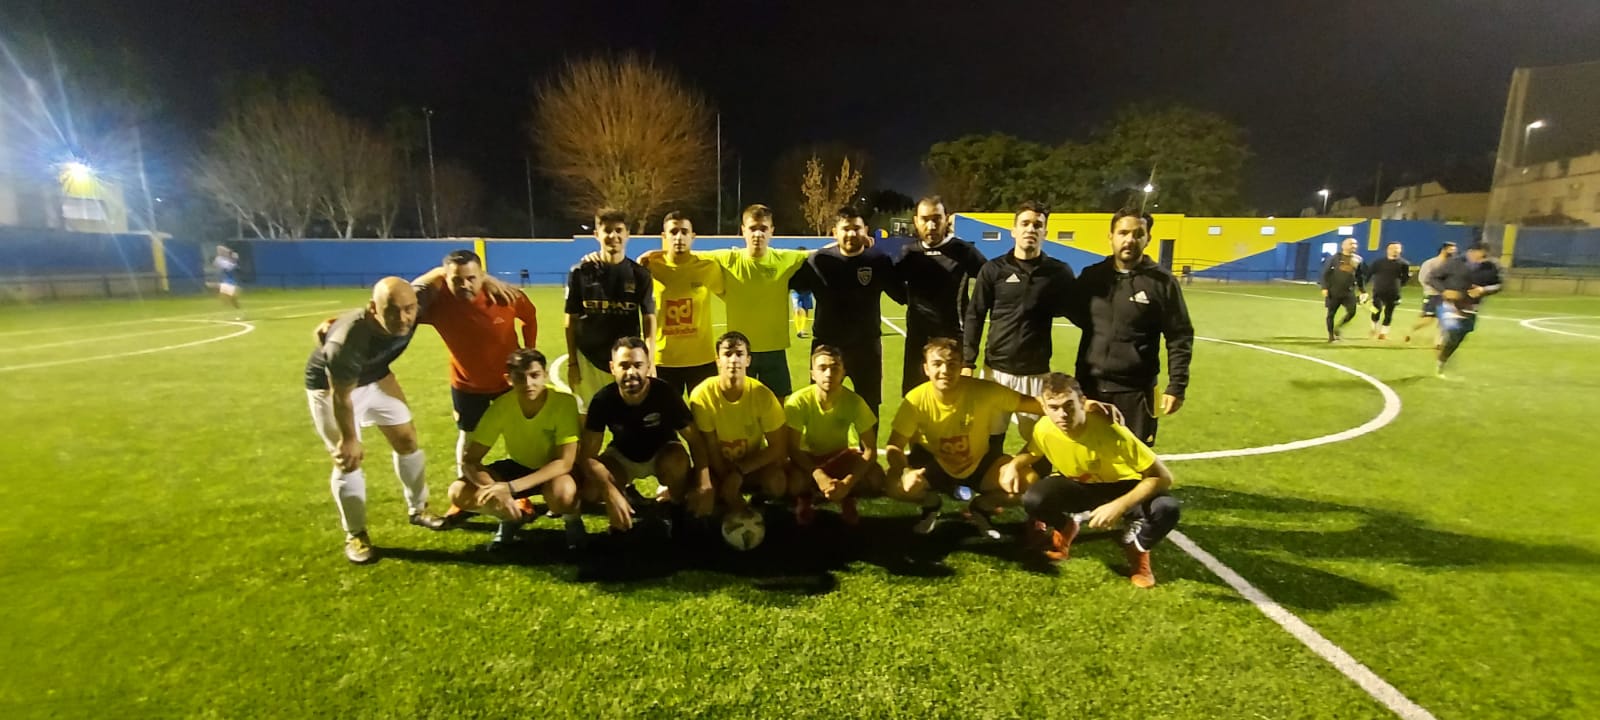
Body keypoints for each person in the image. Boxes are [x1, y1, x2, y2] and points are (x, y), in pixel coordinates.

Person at [303, 277, 446, 565]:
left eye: (409, 309)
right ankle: (355, 533)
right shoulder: (346, 342)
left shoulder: (417, 298)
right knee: (348, 460)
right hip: (332, 389)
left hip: (377, 376)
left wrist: (491, 281)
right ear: (373, 308)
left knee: (407, 441)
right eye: (392, 311)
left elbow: (443, 272)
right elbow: (341, 397)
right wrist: (349, 439)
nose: (403, 318)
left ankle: (418, 509)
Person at [1015, 373, 1179, 588]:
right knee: (1034, 499)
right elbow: (1033, 451)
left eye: (1069, 406)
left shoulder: (1111, 431)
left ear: (1083, 402)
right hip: (1080, 486)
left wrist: (1119, 506)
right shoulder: (1044, 428)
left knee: (1167, 509)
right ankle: (1066, 527)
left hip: (1124, 486)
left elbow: (1163, 476)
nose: (1062, 414)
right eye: (1054, 407)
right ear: (1044, 408)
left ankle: (1137, 549)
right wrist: (1013, 465)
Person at [885, 338, 1051, 538]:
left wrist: (1077, 405)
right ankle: (931, 502)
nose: (945, 371)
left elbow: (1038, 405)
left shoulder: (983, 391)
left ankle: (982, 506)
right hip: (935, 464)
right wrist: (905, 471)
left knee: (1029, 483)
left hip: (979, 463)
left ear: (961, 367)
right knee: (893, 485)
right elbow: (894, 445)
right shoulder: (915, 399)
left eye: (952, 364)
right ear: (926, 369)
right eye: (937, 364)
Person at [409, 250, 538, 481]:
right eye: (457, 280)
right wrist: (437, 273)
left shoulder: (504, 296)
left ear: (482, 276)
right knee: (468, 436)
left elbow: (530, 316)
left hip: (509, 382)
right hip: (466, 385)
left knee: (517, 434)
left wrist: (529, 350)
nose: (465, 285)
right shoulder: (437, 304)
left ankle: (520, 489)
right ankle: (465, 485)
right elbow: (402, 299)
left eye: (471, 278)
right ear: (445, 279)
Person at [1071, 209, 1194, 447]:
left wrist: (1177, 386)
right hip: (1089, 386)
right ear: (1111, 236)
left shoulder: (1163, 282)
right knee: (1089, 455)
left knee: (1134, 458)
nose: (1129, 240)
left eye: (1138, 234)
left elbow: (1179, 336)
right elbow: (1074, 312)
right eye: (1123, 233)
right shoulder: (1092, 277)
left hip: (1137, 391)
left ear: (1148, 239)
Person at [963, 201, 1078, 445]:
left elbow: (1078, 312)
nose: (1031, 229)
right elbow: (975, 315)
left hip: (1036, 374)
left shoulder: (1059, 272)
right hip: (997, 373)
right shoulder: (993, 269)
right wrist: (967, 362)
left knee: (1041, 443)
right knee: (989, 441)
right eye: (1025, 223)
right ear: (1013, 231)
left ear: (1045, 232)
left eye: (1038, 225)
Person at [449, 348, 586, 551]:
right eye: (520, 377)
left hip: (553, 471)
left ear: (545, 375)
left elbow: (564, 462)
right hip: (519, 465)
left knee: (563, 493)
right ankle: (509, 518)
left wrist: (510, 488)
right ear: (509, 379)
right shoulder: (501, 406)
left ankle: (572, 521)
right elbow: (470, 460)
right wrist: (495, 492)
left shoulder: (564, 403)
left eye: (534, 375)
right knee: (458, 492)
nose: (528, 383)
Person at [578, 337, 716, 537]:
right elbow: (587, 456)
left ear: (648, 366)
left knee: (677, 462)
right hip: (623, 456)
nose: (631, 372)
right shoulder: (603, 400)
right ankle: (620, 518)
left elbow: (695, 440)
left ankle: (677, 509)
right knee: (591, 489)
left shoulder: (665, 393)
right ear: (612, 368)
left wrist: (704, 481)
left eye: (638, 365)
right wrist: (609, 491)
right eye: (624, 365)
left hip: (663, 453)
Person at [791, 207, 905, 422]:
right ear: (835, 232)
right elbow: (791, 283)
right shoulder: (818, 261)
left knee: (869, 407)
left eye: (856, 228)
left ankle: (867, 446)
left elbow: (902, 295)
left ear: (865, 230)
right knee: (822, 406)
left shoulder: (878, 260)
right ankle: (822, 444)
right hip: (827, 347)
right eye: (845, 229)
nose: (851, 233)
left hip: (866, 348)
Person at [701, 204, 810, 398]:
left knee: (778, 406)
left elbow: (823, 254)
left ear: (771, 231)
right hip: (740, 351)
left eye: (763, 228)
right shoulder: (728, 259)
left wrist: (861, 243)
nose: (758, 234)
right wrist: (654, 255)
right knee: (740, 405)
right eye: (752, 228)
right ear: (743, 230)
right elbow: (689, 258)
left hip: (774, 351)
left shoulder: (785, 258)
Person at [565, 207, 657, 417]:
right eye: (607, 230)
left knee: (630, 417)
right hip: (588, 360)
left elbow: (649, 320)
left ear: (627, 235)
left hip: (626, 361)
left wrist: (650, 360)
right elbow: (570, 320)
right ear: (596, 234)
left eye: (619, 230)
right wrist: (572, 362)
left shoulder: (640, 275)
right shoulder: (580, 272)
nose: (613, 236)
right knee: (587, 417)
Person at [688, 331, 790, 515]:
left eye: (739, 354)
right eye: (727, 354)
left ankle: (763, 510)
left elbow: (778, 447)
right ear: (717, 361)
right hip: (717, 466)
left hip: (751, 466)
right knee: (704, 497)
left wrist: (739, 472)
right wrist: (727, 479)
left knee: (777, 481)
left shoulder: (763, 395)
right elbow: (710, 447)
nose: (733, 360)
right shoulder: (702, 395)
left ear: (748, 360)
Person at [895, 196, 988, 395]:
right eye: (925, 219)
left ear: (947, 219)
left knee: (954, 401)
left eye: (936, 219)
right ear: (916, 221)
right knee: (915, 399)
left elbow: (989, 281)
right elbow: (891, 282)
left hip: (953, 340)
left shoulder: (964, 251)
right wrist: (907, 299)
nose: (931, 225)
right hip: (918, 341)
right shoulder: (909, 253)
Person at [783, 345, 883, 526]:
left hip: (840, 456)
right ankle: (806, 498)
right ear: (813, 374)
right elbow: (793, 448)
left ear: (843, 373)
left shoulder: (855, 402)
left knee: (876, 477)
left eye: (835, 368)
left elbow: (870, 450)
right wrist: (819, 475)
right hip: (808, 459)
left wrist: (848, 483)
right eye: (822, 368)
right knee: (794, 483)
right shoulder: (798, 401)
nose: (829, 374)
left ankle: (846, 495)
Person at [640, 211, 725, 397]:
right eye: (673, 232)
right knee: (665, 414)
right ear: (664, 236)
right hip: (664, 361)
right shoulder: (649, 266)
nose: (679, 237)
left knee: (706, 414)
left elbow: (729, 295)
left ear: (693, 236)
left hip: (702, 360)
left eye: (684, 232)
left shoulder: (707, 267)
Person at [1434, 243, 1504, 378]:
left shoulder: (1491, 266)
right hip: (1449, 303)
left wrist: (1484, 290)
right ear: (1471, 252)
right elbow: (1433, 277)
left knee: (1460, 335)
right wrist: (1444, 291)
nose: (1481, 259)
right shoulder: (1454, 262)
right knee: (1453, 330)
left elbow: (1499, 285)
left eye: (1484, 256)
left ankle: (1442, 360)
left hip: (1471, 306)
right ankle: (1442, 337)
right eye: (1479, 255)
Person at [1404, 242, 1457, 347]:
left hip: (1448, 296)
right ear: (1443, 250)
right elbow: (1423, 278)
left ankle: (1438, 342)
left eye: (1454, 250)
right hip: (1433, 295)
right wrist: (1431, 290)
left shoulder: (1453, 264)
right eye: (1451, 250)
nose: (1453, 252)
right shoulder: (1431, 263)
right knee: (1428, 319)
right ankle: (1410, 331)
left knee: (1444, 319)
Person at [1320, 237, 1368, 342]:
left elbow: (1359, 276)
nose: (1354, 246)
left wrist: (1363, 290)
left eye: (1355, 244)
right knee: (1331, 314)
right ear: (1343, 246)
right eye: (1351, 244)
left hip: (1348, 291)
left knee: (1352, 312)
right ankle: (1331, 336)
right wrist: (1324, 287)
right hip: (1334, 291)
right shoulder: (1334, 258)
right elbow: (1325, 273)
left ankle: (1338, 328)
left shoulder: (1358, 259)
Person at [1366, 242, 1410, 340]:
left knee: (1389, 313)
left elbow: (1405, 278)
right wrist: (1363, 288)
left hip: (1393, 292)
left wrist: (1398, 286)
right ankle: (1374, 329)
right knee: (1376, 310)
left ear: (1400, 250)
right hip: (1378, 291)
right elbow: (1369, 274)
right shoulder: (1378, 263)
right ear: (1387, 250)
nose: (1395, 250)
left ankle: (1383, 333)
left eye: (1397, 248)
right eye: (1392, 248)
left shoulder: (1404, 264)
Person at [214, 244, 242, 316]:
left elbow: (231, 267)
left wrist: (234, 260)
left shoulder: (229, 258)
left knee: (230, 297)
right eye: (218, 251)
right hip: (226, 279)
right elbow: (226, 266)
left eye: (220, 250)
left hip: (230, 279)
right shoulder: (219, 259)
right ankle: (237, 311)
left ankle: (239, 312)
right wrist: (233, 260)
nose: (219, 252)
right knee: (227, 297)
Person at [792, 246, 813, 339]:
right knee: (797, 310)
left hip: (807, 291)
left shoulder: (810, 265)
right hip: (796, 292)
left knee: (806, 310)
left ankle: (802, 329)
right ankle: (799, 330)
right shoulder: (794, 265)